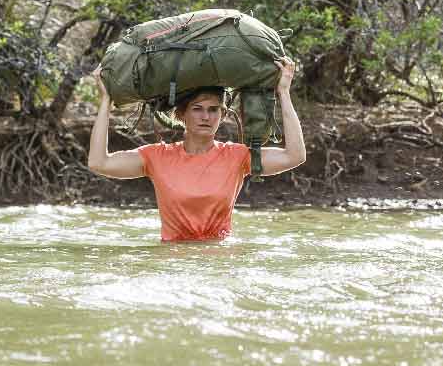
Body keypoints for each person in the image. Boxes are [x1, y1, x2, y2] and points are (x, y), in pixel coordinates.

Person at [86, 59, 305, 241]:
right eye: (197, 109)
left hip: (221, 262)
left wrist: (283, 92)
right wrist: (105, 100)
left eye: (213, 110)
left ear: (222, 115)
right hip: (173, 262)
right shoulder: (156, 157)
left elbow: (294, 155)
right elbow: (99, 162)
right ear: (181, 114)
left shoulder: (237, 156)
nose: (206, 117)